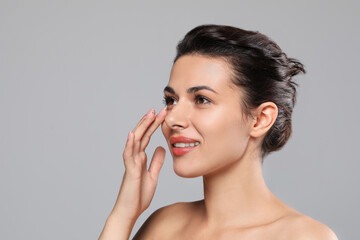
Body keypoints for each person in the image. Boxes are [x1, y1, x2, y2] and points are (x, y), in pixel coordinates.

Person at [99, 24, 338, 240]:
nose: (172, 118)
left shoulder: (303, 236)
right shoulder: (164, 227)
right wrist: (123, 214)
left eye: (201, 99)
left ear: (260, 119)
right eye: (171, 100)